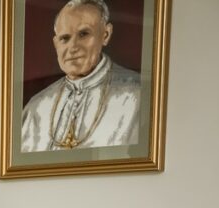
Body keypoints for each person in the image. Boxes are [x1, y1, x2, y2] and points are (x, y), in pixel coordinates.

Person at [21, 0, 142, 151]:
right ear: (55, 43)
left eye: (83, 34)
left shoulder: (137, 95)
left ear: (105, 34)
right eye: (64, 38)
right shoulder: (36, 106)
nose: (73, 47)